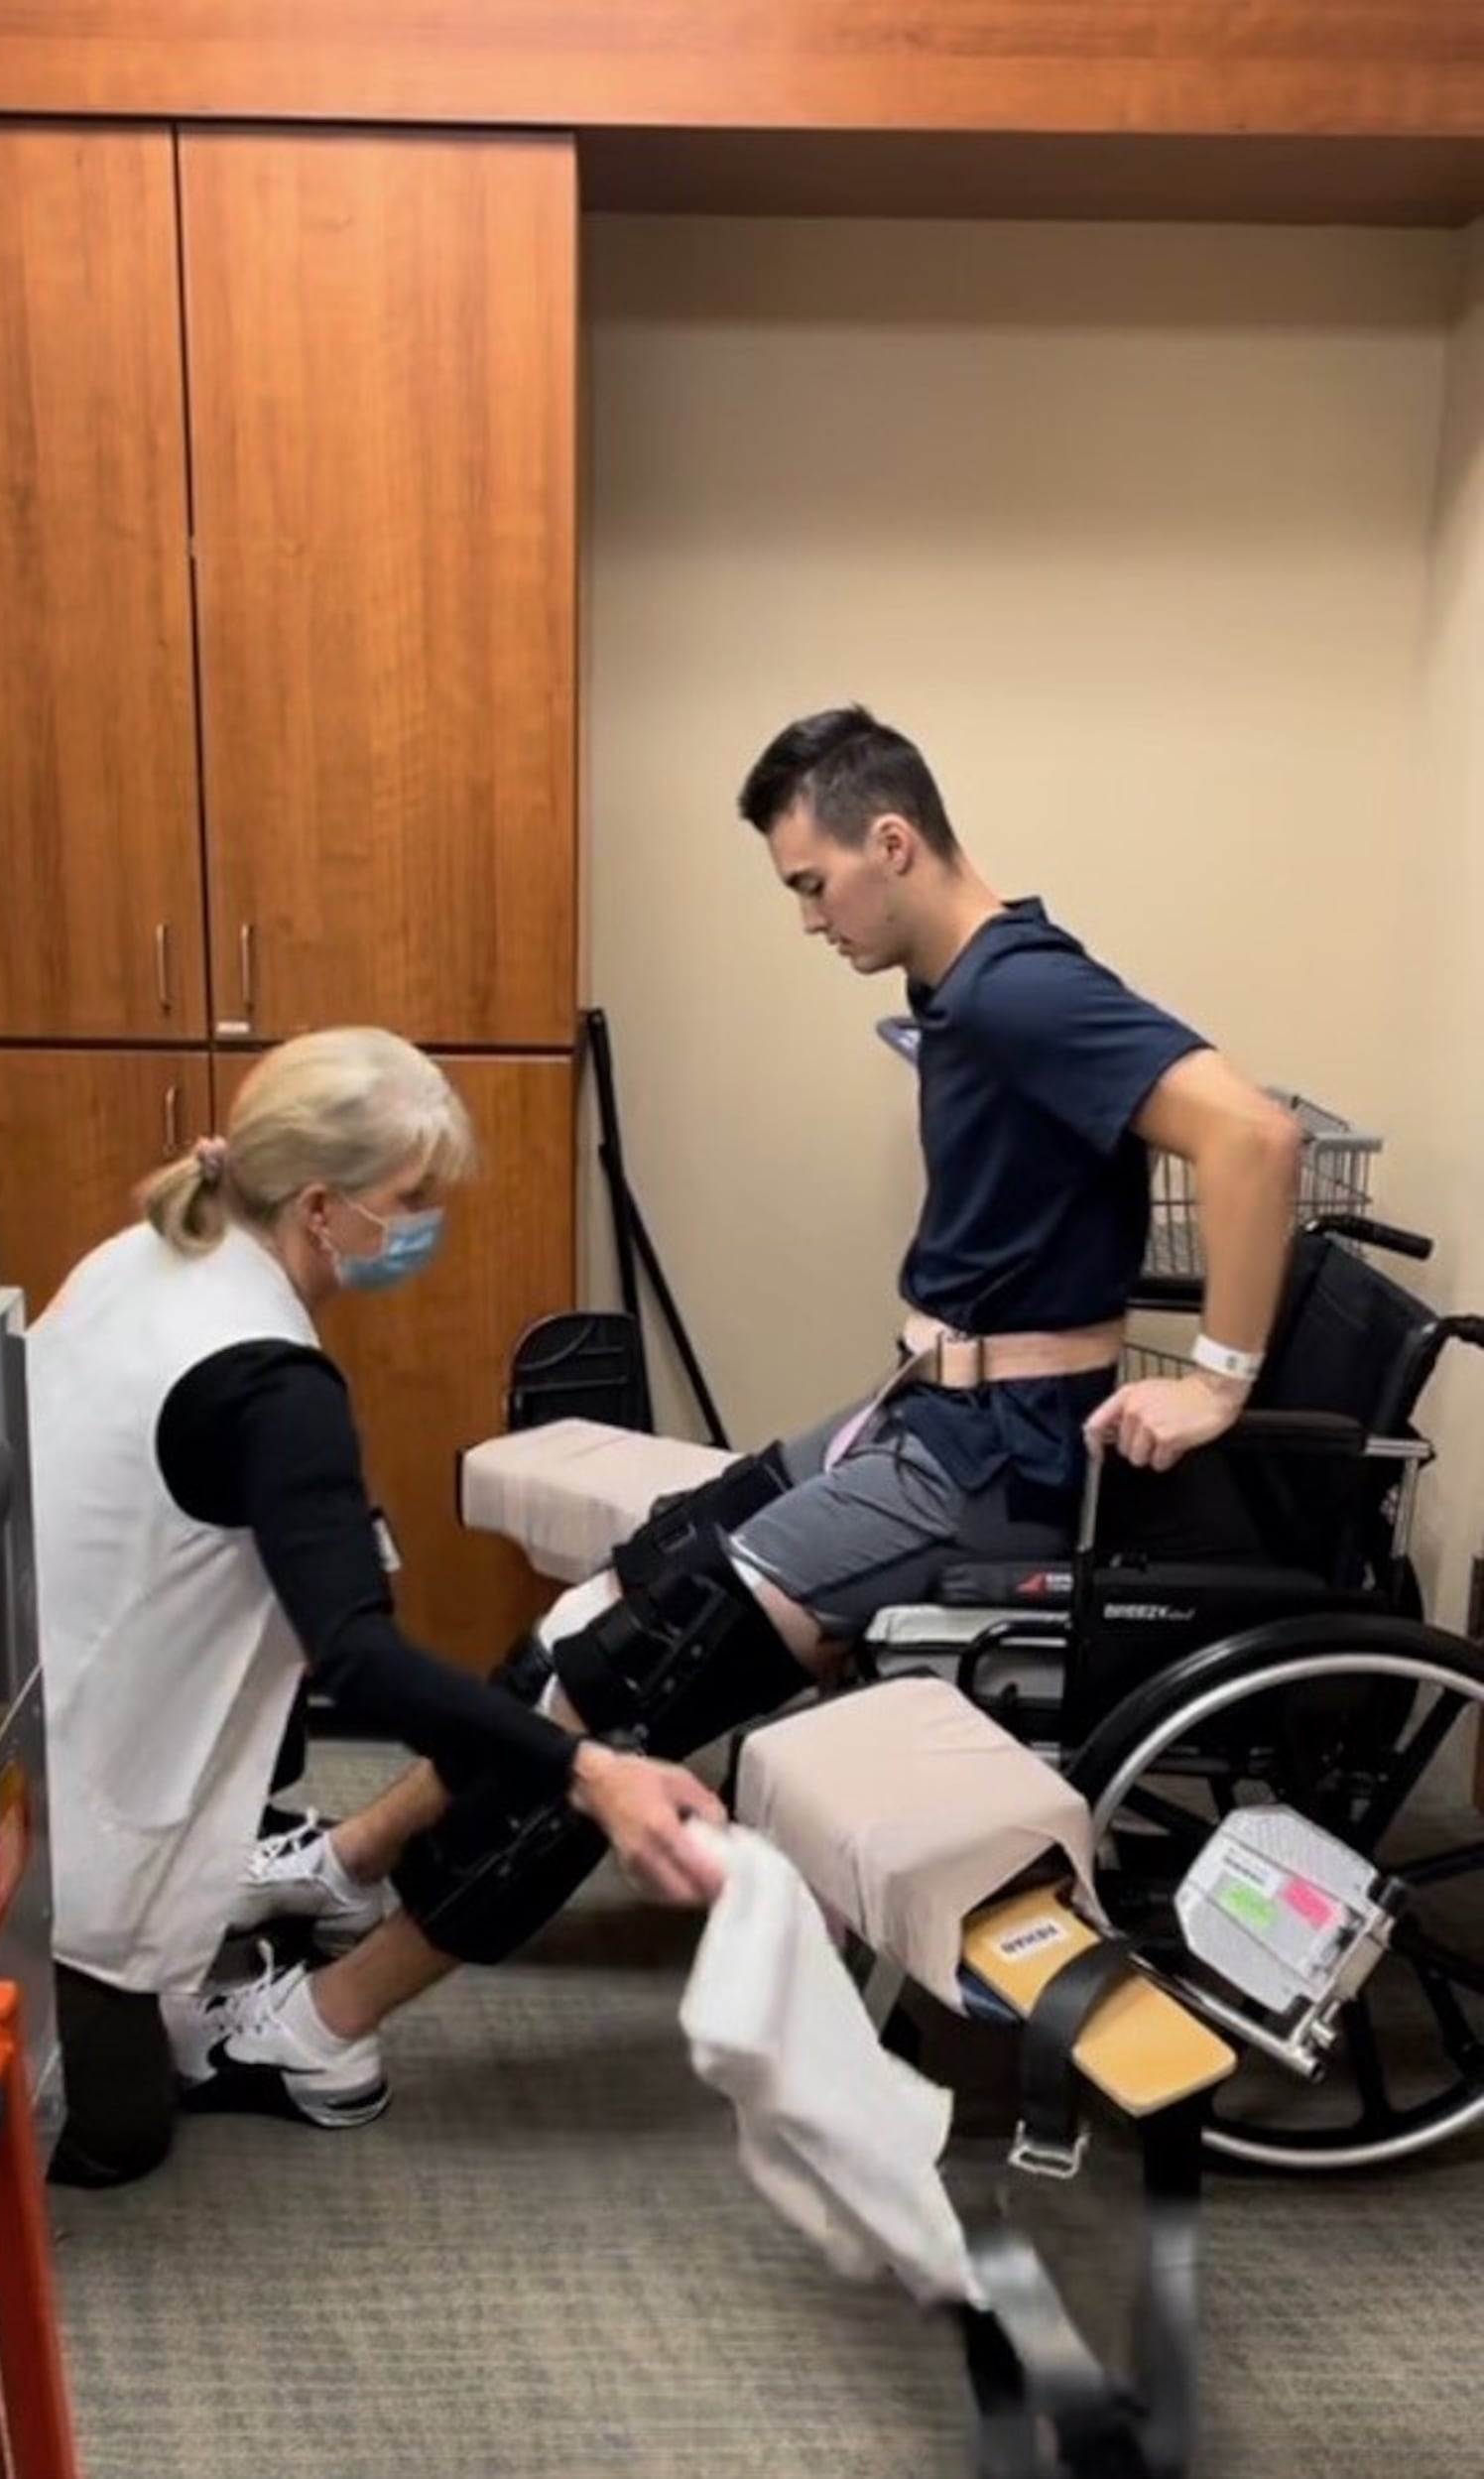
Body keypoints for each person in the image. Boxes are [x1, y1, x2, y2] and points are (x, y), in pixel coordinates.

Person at [229, 704, 1303, 2029]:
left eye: (812, 883)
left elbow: (1252, 1136)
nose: (809, 919)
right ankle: (348, 1862)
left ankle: (329, 2020)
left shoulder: (1022, 986)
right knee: (601, 1606)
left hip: (990, 1463)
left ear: (892, 841)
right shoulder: (961, 982)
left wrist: (1219, 1377)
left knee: (632, 1679)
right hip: (923, 1415)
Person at [0, 1028, 724, 2188]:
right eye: (411, 1200)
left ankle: (191, 1911)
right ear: (324, 1207)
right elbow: (363, 1659)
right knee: (119, 2135)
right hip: (43, 1827)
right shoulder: (272, 1386)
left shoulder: (146, 1252)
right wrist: (593, 1773)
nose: (426, 1227)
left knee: (149, 1988)